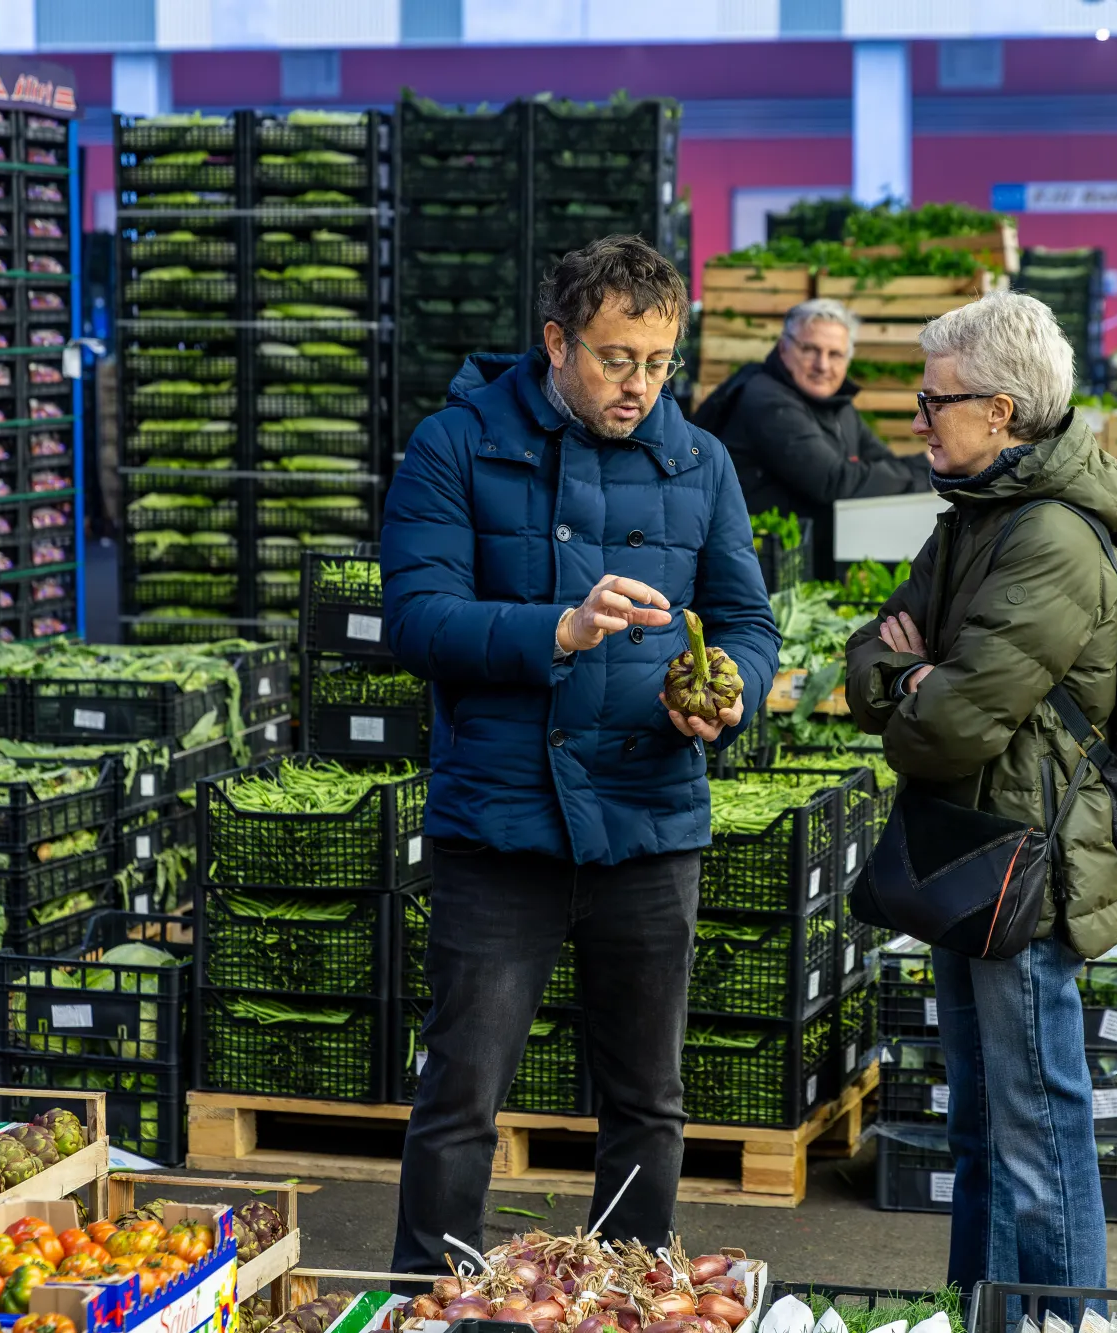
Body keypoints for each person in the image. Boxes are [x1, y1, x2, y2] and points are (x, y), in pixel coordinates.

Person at [380, 234, 781, 1274]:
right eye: (615, 359)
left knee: (647, 1099)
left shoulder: (700, 461)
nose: (639, 385)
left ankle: (631, 1296)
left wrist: (729, 690)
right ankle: (430, 1298)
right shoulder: (455, 444)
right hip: (501, 820)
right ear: (557, 342)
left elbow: (745, 618)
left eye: (658, 362)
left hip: (648, 816)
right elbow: (415, 619)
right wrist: (556, 629)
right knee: (461, 1093)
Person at [843, 289, 1117, 1290]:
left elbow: (952, 725)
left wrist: (915, 681)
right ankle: (983, 1311)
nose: (917, 421)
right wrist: (909, 677)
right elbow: (867, 656)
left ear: (1000, 412)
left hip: (1023, 870)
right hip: (968, 856)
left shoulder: (1049, 537)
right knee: (976, 1127)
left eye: (934, 401)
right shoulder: (975, 518)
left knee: (1035, 1130)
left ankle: (1063, 1317)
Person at [692, 297, 929, 565]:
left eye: (835, 354)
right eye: (810, 350)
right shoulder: (766, 400)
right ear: (784, 348)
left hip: (805, 559)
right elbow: (832, 482)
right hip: (755, 563)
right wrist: (924, 467)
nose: (822, 365)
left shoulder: (836, 405)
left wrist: (915, 470)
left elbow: (882, 462)